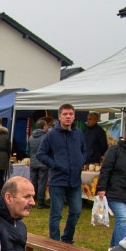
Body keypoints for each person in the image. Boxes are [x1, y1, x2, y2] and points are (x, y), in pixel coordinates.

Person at [36, 104, 86, 243]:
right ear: (59, 116)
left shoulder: (78, 133)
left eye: (71, 114)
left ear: (74, 116)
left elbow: (84, 150)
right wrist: (55, 164)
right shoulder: (51, 134)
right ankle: (54, 242)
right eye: (65, 114)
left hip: (75, 180)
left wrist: (81, 161)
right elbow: (41, 154)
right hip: (57, 180)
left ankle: (67, 238)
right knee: (56, 213)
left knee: (76, 211)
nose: (68, 116)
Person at [28, 119, 48, 208]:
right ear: (44, 127)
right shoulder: (46, 137)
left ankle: (31, 200)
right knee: (42, 183)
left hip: (33, 162)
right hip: (43, 162)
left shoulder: (31, 137)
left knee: (33, 183)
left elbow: (27, 150)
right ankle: (41, 202)